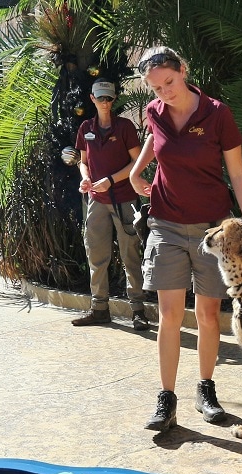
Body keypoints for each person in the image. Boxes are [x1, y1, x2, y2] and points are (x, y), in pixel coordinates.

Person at [129, 47, 242, 431]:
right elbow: (156, 137)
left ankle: (205, 389)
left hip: (212, 232)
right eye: (155, 87)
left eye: (169, 82)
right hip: (165, 224)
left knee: (206, 316)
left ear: (183, 70)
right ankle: (166, 399)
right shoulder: (153, 111)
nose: (164, 92)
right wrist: (138, 171)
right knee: (169, 315)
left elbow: (236, 172)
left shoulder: (217, 113)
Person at [72, 78, 150, 331]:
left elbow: (137, 163)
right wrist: (86, 178)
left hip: (125, 199)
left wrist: (110, 180)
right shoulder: (86, 127)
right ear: (92, 99)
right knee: (96, 255)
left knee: (130, 255)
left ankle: (138, 310)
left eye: (109, 98)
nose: (105, 102)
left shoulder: (125, 127)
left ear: (113, 100)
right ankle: (99, 309)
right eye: (100, 98)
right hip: (96, 201)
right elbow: (83, 161)